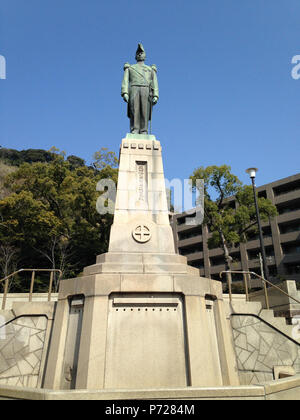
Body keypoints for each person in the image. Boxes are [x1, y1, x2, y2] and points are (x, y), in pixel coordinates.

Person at [121, 44, 159, 134]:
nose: (140, 54)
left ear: (145, 56)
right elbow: (125, 80)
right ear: (135, 56)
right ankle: (135, 129)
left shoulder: (150, 69)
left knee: (144, 110)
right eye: (138, 53)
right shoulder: (130, 68)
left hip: (146, 90)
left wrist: (155, 94)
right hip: (134, 89)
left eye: (141, 53)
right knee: (134, 109)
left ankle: (144, 130)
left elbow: (154, 82)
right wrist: (125, 92)